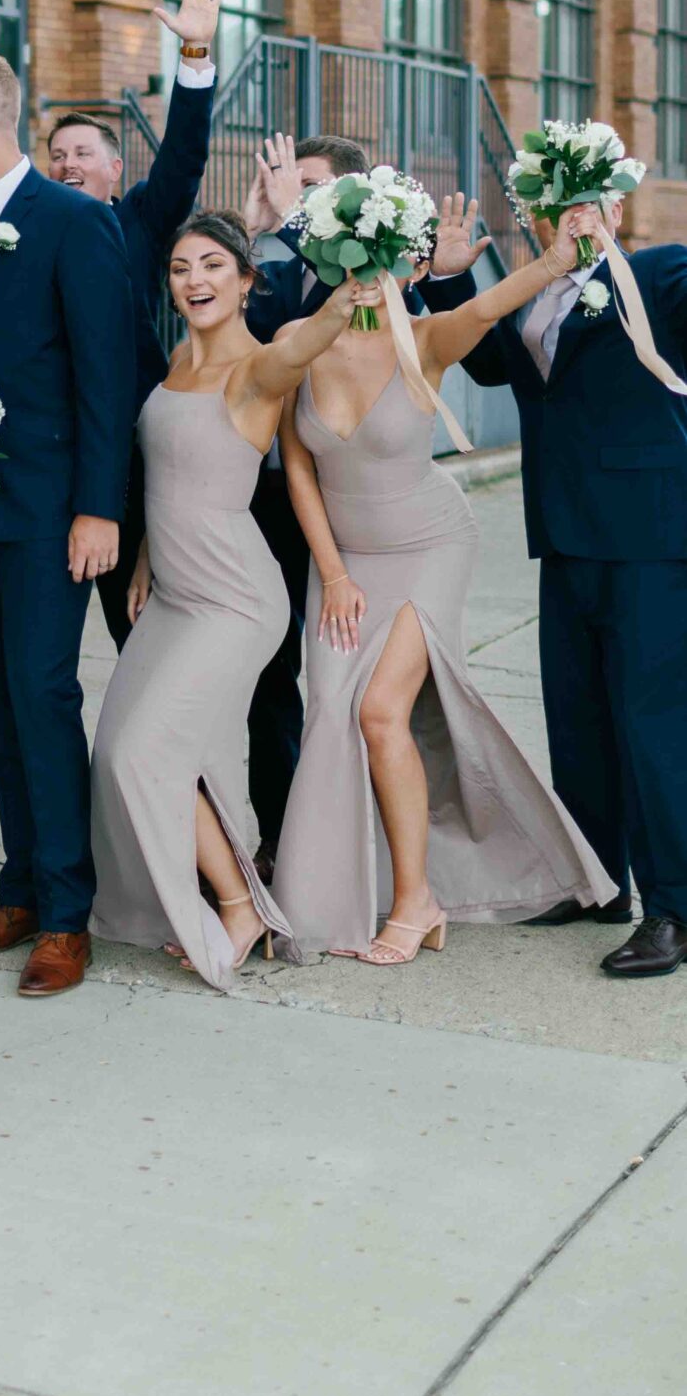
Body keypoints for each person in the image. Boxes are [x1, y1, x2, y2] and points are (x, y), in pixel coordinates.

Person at [272, 204, 616, 964]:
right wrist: (330, 572)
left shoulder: (425, 340)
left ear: (410, 266)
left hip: (429, 543)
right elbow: (296, 465)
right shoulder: (299, 344)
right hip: (345, 564)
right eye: (354, 261)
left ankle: (413, 899)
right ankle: (337, 891)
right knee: (332, 712)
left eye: (386, 260)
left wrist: (558, 257)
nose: (370, 277)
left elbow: (492, 303)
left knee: (378, 711)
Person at [89, 214, 365, 991]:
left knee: (150, 753)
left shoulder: (257, 368)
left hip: (235, 598)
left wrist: (347, 294)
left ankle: (241, 906)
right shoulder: (178, 355)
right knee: (116, 751)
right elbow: (171, 467)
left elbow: (300, 343)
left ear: (248, 281)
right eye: (179, 268)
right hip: (172, 588)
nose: (193, 280)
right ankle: (192, 888)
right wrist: (144, 555)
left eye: (213, 265)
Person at [0, 47, 134, 1000]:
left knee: (44, 699)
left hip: (50, 513)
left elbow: (107, 374)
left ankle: (65, 916)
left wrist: (100, 507)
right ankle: (18, 886)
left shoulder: (73, 221)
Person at [459, 187, 687, 978]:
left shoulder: (660, 276)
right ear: (532, 220)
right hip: (561, 534)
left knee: (652, 727)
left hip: (650, 538)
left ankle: (673, 907)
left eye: (585, 204)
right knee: (578, 719)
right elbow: (486, 366)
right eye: (552, 208)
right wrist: (454, 277)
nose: (569, 220)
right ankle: (597, 885)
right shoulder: (530, 298)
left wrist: (609, 256)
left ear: (614, 210)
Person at [238, 132, 480, 871]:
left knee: (384, 710)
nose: (295, 194)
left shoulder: (397, 286)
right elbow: (252, 338)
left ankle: (410, 859)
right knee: (289, 695)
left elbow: (489, 354)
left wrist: (442, 276)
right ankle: (300, 850)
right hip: (293, 522)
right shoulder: (288, 275)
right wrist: (265, 234)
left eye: (309, 186)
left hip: (397, 533)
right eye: (291, 186)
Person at [41, 0, 222, 650]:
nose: (66, 164)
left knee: (142, 633)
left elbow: (181, 157)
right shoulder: (28, 232)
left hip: (132, 457)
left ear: (114, 169)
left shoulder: (140, 221)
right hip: (50, 459)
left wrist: (194, 56)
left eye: (82, 153)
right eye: (55, 155)